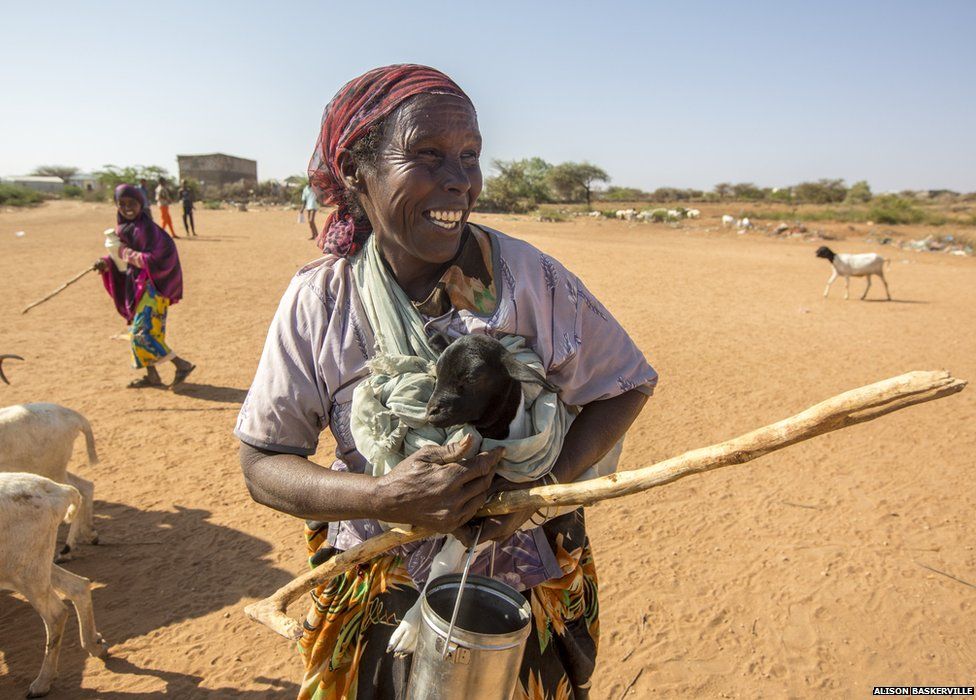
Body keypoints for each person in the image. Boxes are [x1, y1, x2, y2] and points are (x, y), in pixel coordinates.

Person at [236, 64, 657, 699]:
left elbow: (625, 384)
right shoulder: (321, 300)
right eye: (427, 155)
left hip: (521, 587)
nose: (459, 181)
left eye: (470, 155)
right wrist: (381, 498)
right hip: (379, 584)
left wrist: (534, 492)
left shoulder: (526, 277)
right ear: (356, 170)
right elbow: (264, 461)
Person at [94, 184, 196, 388]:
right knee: (140, 331)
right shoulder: (122, 229)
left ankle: (181, 364)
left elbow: (159, 257)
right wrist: (105, 262)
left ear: (141, 203)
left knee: (144, 333)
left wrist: (125, 253)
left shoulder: (149, 230)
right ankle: (153, 375)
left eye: (131, 203)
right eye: (121, 204)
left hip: (153, 287)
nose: (127, 208)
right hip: (135, 285)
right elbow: (119, 258)